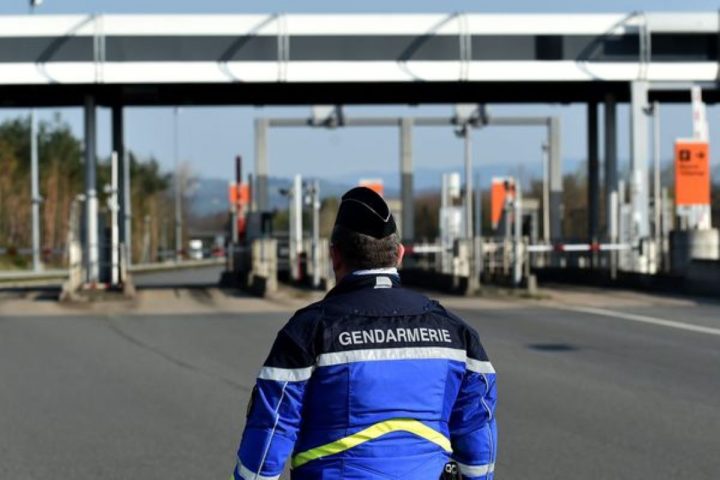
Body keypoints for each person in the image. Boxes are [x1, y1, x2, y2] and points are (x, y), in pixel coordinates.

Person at [232, 187, 497, 480]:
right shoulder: (457, 333)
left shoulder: (307, 331)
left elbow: (270, 434)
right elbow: (477, 439)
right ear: (399, 254)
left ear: (334, 256)